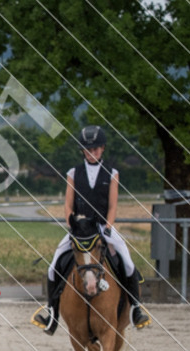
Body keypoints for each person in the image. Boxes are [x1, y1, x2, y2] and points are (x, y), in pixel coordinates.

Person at [32, 125, 150, 334]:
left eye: (95, 149)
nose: (91, 153)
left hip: (102, 227)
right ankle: (51, 313)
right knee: (54, 266)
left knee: (128, 263)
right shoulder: (73, 173)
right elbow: (68, 205)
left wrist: (108, 227)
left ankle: (136, 308)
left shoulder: (112, 173)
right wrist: (73, 223)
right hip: (79, 228)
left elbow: (112, 206)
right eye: (87, 150)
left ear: (102, 148)